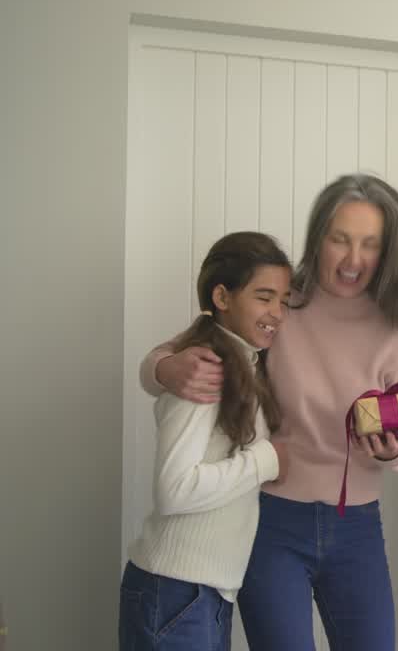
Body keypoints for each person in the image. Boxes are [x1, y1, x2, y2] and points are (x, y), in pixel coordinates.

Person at [138, 174, 398, 651]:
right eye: (340, 240)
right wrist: (166, 369)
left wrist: (395, 451)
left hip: (357, 527)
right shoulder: (281, 301)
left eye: (370, 245)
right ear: (318, 238)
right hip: (271, 521)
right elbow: (173, 355)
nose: (354, 260)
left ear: (389, 249)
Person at [119, 231, 291, 650]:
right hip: (177, 594)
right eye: (264, 297)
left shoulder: (245, 360)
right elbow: (174, 491)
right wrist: (266, 460)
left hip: (201, 595)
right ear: (222, 296)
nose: (277, 312)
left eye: (283, 300)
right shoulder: (204, 368)